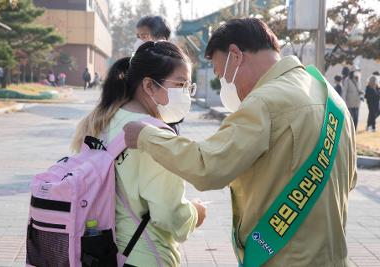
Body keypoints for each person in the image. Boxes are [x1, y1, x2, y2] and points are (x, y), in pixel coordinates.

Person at [123, 18, 357, 267]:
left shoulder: (265, 102)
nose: (225, 83)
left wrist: (147, 136)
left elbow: (208, 166)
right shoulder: (330, 97)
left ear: (235, 55)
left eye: (221, 74)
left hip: (283, 258)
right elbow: (349, 180)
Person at [71, 41, 205, 267]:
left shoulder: (102, 120)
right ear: (149, 86)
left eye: (188, 87)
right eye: (180, 84)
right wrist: (195, 214)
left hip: (101, 251)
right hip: (145, 254)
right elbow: (169, 214)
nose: (186, 94)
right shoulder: (152, 136)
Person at [134, 15, 183, 135]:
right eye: (138, 37)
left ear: (161, 39)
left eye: (144, 36)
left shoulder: (174, 66)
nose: (139, 42)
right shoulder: (138, 63)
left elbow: (179, 107)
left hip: (163, 129)